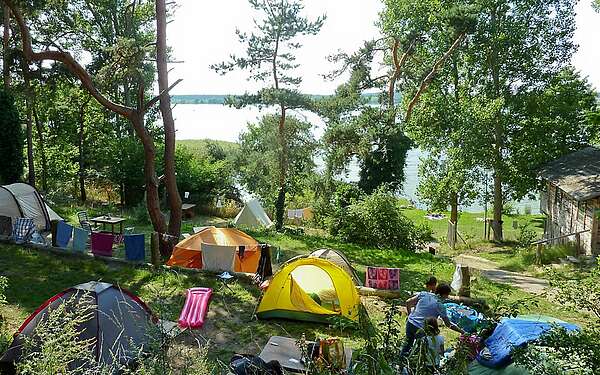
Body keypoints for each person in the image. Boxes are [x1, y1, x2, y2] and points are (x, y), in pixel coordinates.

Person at [401, 283, 464, 359]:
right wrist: (461, 331)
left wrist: (410, 315)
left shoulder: (424, 294)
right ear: (444, 295)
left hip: (410, 323)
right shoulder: (440, 306)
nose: (447, 297)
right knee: (421, 351)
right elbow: (448, 324)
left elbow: (408, 302)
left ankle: (401, 362)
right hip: (422, 329)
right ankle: (415, 367)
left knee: (407, 345)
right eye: (447, 295)